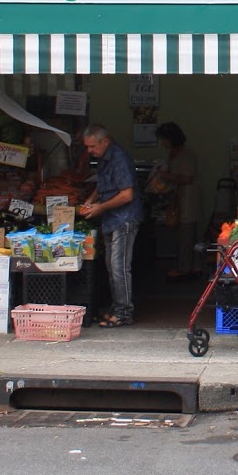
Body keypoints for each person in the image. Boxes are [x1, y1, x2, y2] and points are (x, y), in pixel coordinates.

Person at [80, 124, 142, 327]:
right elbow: (102, 186)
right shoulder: (103, 159)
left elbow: (127, 194)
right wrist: (90, 201)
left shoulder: (119, 158)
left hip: (124, 218)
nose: (89, 151)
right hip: (110, 218)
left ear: (104, 141)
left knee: (119, 267)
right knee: (110, 266)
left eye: (92, 146)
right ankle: (116, 307)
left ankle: (124, 312)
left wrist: (100, 207)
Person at [149, 122, 202, 280]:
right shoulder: (173, 154)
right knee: (182, 235)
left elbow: (187, 178)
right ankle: (187, 267)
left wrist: (165, 176)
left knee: (187, 235)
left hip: (188, 200)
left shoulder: (187, 155)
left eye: (164, 139)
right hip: (178, 199)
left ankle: (186, 269)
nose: (162, 143)